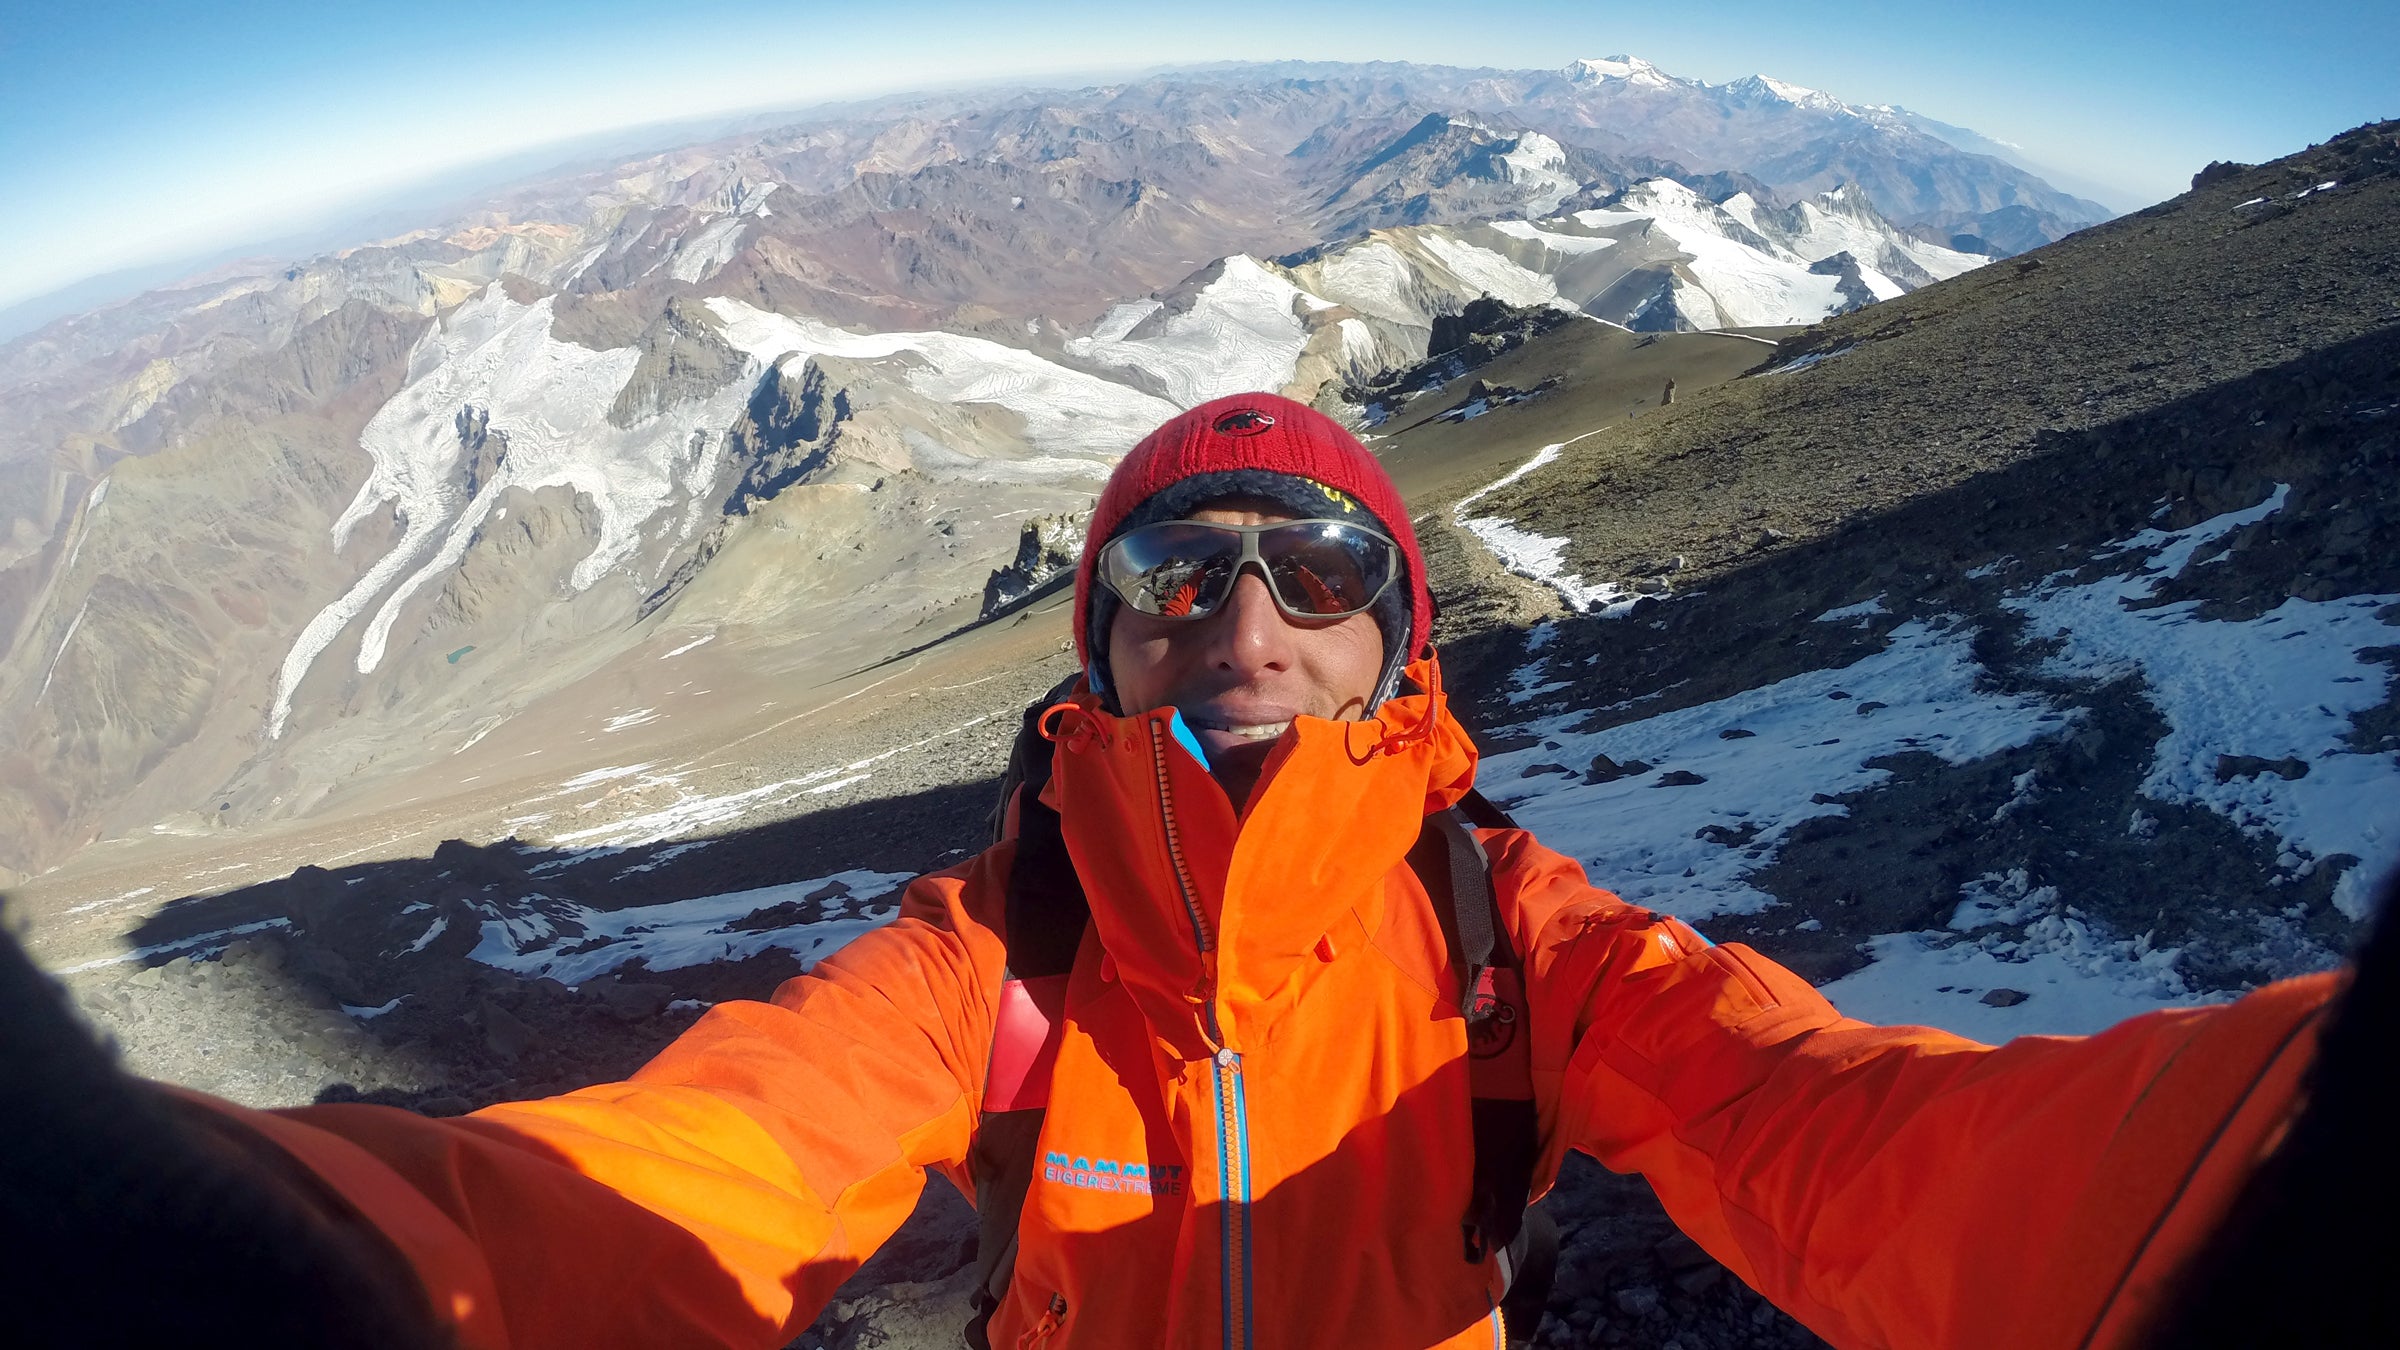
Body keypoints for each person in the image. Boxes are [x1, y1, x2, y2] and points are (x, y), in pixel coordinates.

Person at [11, 394, 2346, 1349]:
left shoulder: (1517, 943)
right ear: (1104, 636)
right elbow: (694, 1169)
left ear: (1391, 632)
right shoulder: (982, 957)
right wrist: (290, 1260)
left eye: (1312, 563)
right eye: (1171, 568)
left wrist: (2277, 1167)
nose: (1238, 614)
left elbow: (1841, 1135)